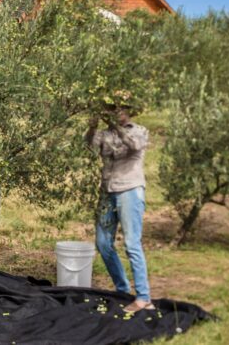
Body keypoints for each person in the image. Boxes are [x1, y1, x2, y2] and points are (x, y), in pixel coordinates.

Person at [85, 92, 153, 313]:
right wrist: (94, 124)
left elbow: (133, 145)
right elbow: (89, 145)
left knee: (132, 243)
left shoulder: (139, 131)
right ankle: (123, 290)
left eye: (122, 109)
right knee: (103, 243)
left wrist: (117, 127)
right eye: (114, 109)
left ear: (129, 111)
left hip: (130, 190)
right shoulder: (106, 134)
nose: (118, 112)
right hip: (107, 191)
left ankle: (143, 297)